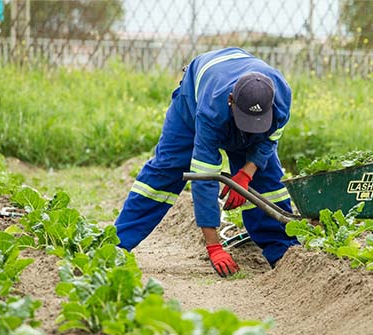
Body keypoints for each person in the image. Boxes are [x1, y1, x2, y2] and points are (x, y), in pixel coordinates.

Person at [115, 47, 299, 277]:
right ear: (231, 101)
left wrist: (246, 173)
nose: (250, 129)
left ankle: (284, 253)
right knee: (166, 170)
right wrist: (213, 245)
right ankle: (117, 245)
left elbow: (269, 140)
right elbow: (205, 178)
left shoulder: (281, 98)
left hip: (240, 94)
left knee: (266, 180)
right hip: (193, 100)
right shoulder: (212, 110)